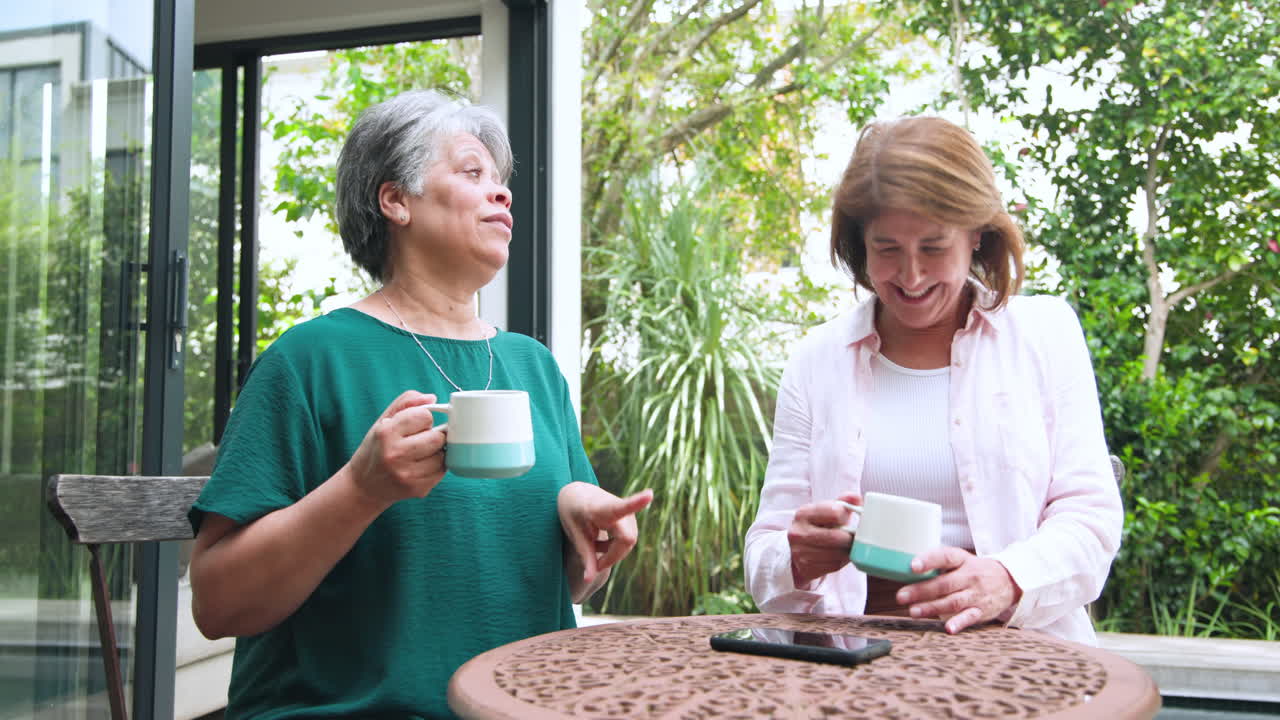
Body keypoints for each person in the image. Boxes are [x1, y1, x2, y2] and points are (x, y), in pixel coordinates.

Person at [188, 90, 653, 718]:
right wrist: (361, 488)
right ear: (395, 200)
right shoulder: (309, 360)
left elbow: (561, 584)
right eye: (471, 172)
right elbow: (218, 605)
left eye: (501, 180)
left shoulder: (533, 366)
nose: (503, 193)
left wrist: (583, 524)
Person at [744, 116, 1122, 645]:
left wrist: (1008, 580)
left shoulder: (1045, 335)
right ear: (859, 244)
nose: (912, 276)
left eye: (934, 247)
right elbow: (765, 554)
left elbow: (1092, 520)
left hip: (1025, 658)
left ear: (977, 235)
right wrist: (797, 558)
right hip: (854, 665)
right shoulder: (817, 360)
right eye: (888, 249)